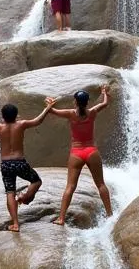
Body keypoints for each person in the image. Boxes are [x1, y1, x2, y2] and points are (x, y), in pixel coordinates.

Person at [44, 88, 114, 224]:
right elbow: (105, 103)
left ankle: (61, 218)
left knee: (70, 186)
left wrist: (49, 103)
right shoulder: (92, 112)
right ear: (87, 102)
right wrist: (104, 92)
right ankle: (110, 214)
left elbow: (51, 111)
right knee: (100, 184)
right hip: (91, 151)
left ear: (75, 102)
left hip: (76, 152)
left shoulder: (70, 114)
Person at [0, 101, 52, 232]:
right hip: (19, 162)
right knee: (36, 181)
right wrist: (47, 108)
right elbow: (38, 121)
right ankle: (24, 198)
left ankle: (15, 224)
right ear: (16, 115)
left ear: (3, 116)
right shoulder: (21, 124)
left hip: (6, 164)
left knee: (10, 192)